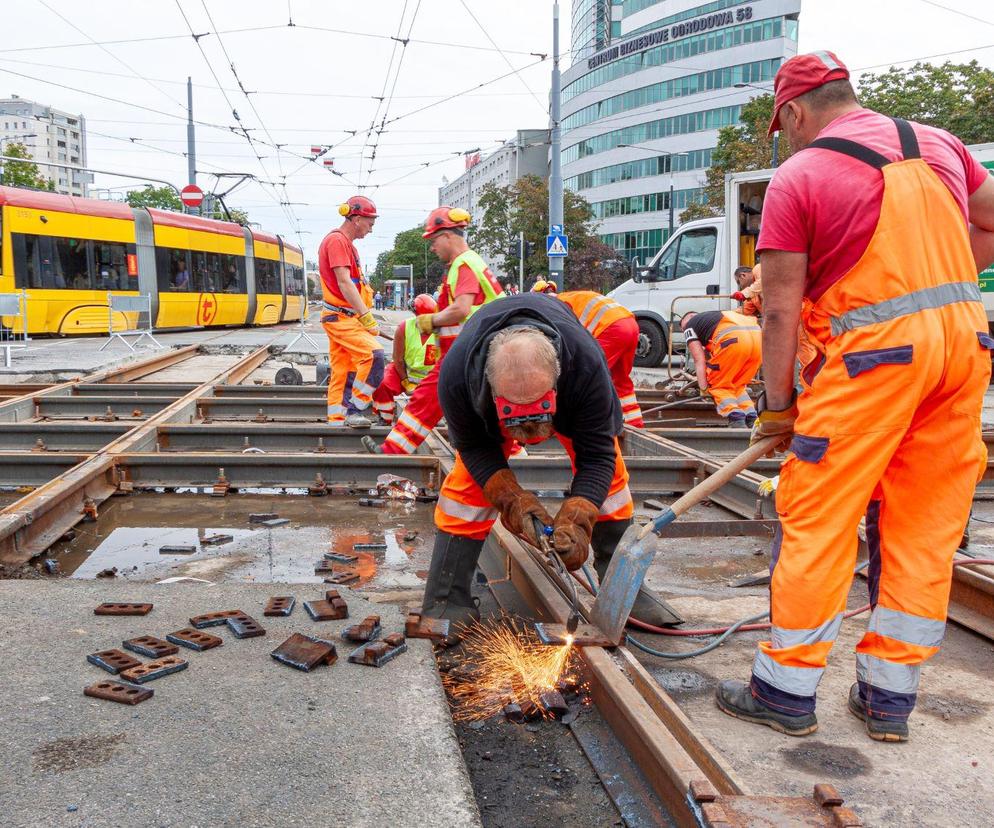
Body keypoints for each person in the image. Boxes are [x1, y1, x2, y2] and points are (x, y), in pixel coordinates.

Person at [715, 51, 994, 742]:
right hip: (964, 352)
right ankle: (888, 700)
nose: (787, 140)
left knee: (820, 512)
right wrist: (947, 278)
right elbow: (989, 221)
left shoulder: (800, 174)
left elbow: (779, 311)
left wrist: (778, 408)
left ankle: (784, 690)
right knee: (925, 522)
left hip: (877, 361)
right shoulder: (942, 144)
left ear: (792, 111)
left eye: (783, 129)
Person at [421, 293, 681, 638]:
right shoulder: (457, 377)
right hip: (485, 403)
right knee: (467, 488)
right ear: (491, 387)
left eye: (539, 408)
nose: (530, 433)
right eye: (517, 411)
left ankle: (625, 590)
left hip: (572, 395)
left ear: (558, 379)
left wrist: (577, 518)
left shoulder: (586, 366)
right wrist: (512, 501)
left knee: (613, 482)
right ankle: (446, 600)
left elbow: (598, 455)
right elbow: (474, 448)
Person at [362, 206, 504, 455]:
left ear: (449, 235)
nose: (432, 247)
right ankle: (394, 450)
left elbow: (461, 309)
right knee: (456, 404)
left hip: (469, 349)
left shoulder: (464, 264)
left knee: (427, 399)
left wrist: (431, 321)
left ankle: (393, 451)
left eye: (434, 239)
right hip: (475, 349)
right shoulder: (469, 263)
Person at [532, 279, 644, 427]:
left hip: (610, 330)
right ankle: (635, 424)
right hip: (631, 325)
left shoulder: (557, 306)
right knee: (620, 379)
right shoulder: (573, 297)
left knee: (585, 380)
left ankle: (586, 425)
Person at [317, 195, 384, 428]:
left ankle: (337, 419)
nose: (371, 229)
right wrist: (366, 317)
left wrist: (364, 316)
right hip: (341, 317)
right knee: (374, 356)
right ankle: (356, 409)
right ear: (356, 218)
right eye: (370, 223)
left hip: (343, 316)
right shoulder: (337, 241)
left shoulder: (348, 246)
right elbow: (345, 282)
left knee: (344, 370)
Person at [679, 310, 761, 427]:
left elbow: (699, 360)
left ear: (686, 321)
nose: (684, 332)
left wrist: (704, 387)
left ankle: (736, 418)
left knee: (718, 384)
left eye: (682, 329)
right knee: (737, 385)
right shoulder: (716, 318)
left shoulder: (689, 326)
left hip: (734, 342)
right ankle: (751, 417)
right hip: (757, 342)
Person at [371, 293, 440, 425]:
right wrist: (405, 381)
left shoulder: (440, 332)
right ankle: (384, 417)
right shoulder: (404, 328)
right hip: (403, 372)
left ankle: (433, 418)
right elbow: (398, 359)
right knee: (383, 383)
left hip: (430, 378)